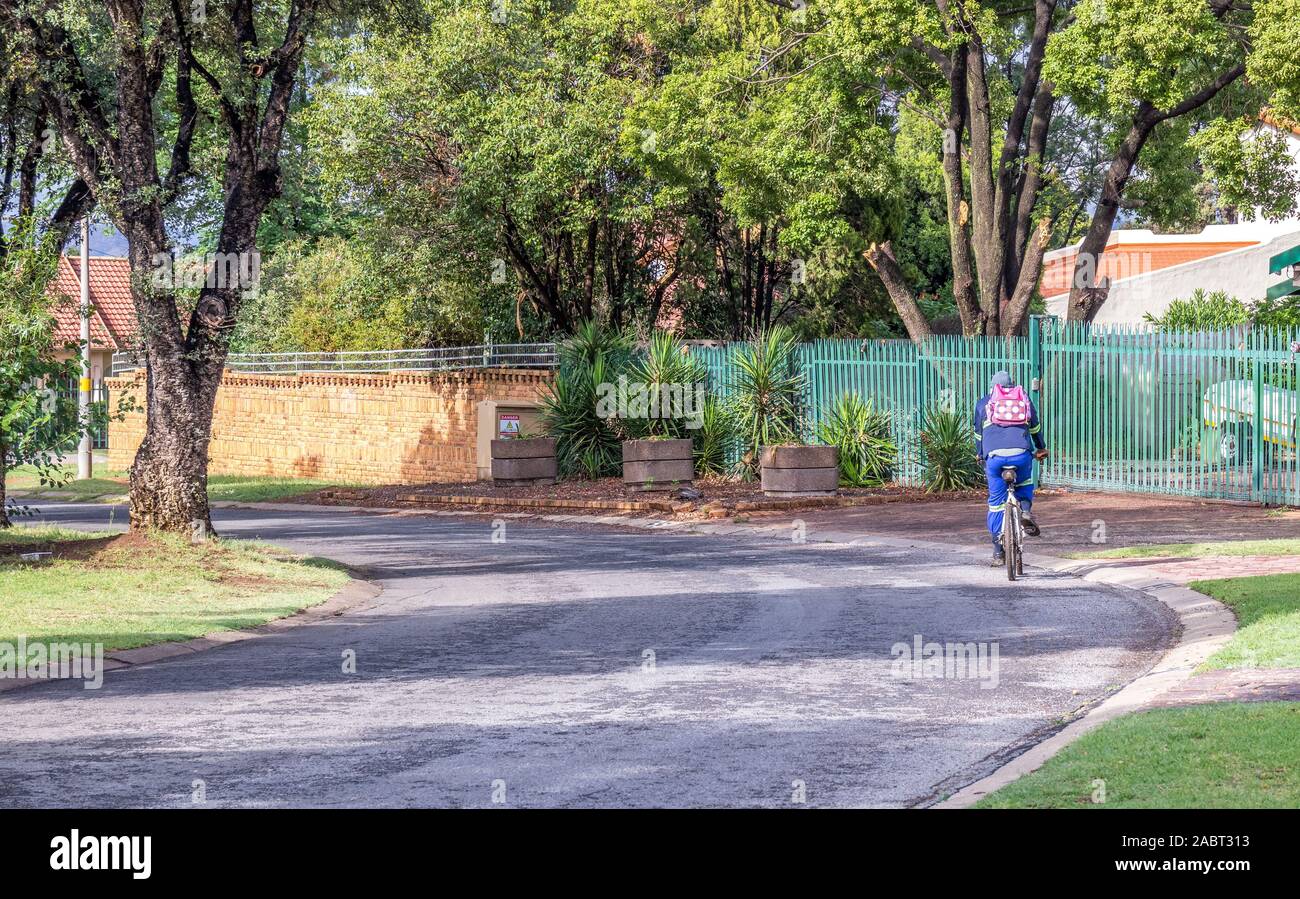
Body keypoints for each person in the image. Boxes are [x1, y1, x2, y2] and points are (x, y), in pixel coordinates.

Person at [974, 371, 1048, 566]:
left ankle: (998, 552)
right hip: (1021, 455)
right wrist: (1041, 448)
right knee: (1024, 485)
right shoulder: (1023, 399)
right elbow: (1035, 429)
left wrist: (980, 455)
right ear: (1012, 385)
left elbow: (979, 436)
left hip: (995, 459)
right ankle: (1025, 511)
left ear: (993, 387)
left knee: (996, 504)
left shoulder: (983, 403)